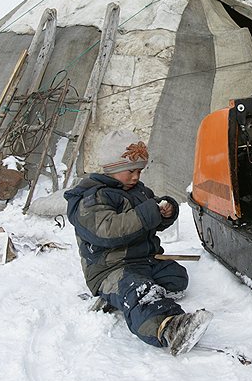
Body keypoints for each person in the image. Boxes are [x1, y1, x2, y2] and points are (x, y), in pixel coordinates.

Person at [64, 130, 212, 355]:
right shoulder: (92, 198)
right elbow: (108, 231)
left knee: (176, 278)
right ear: (112, 168)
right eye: (131, 171)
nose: (136, 177)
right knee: (140, 291)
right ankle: (169, 327)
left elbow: (149, 218)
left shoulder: (136, 190)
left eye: (140, 171)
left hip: (142, 260)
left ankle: (124, 298)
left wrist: (164, 212)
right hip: (110, 269)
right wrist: (146, 214)